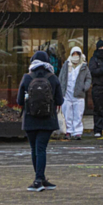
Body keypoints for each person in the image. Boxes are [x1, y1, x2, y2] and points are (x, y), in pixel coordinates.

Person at [17, 51, 64, 191]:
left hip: (30, 119)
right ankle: (40, 179)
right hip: (47, 119)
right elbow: (60, 100)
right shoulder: (53, 78)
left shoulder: (27, 77)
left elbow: (19, 100)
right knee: (41, 148)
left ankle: (39, 179)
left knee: (34, 149)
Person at [57, 47, 91, 140]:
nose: (75, 56)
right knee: (67, 114)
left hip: (79, 95)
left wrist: (85, 87)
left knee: (78, 114)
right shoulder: (66, 65)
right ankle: (68, 131)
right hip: (66, 94)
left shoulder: (84, 66)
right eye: (74, 54)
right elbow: (61, 77)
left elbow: (88, 78)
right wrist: (60, 89)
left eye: (77, 54)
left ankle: (77, 132)